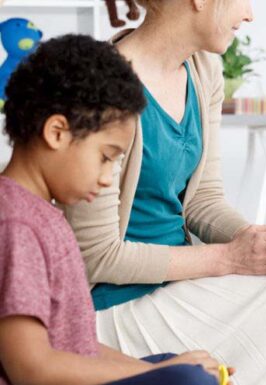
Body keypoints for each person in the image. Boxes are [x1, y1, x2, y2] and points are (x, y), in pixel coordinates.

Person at [62, 2, 266, 384]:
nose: (250, 14)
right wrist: (229, 258)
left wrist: (265, 245)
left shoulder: (203, 70)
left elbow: (204, 200)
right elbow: (97, 257)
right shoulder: (99, 85)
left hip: (180, 287)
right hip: (115, 307)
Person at [0, 34, 221, 385]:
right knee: (187, 380)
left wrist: (157, 369)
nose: (108, 180)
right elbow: (31, 369)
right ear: (57, 132)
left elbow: (79, 347)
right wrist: (164, 375)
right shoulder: (16, 224)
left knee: (183, 368)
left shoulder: (44, 216)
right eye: (105, 158)